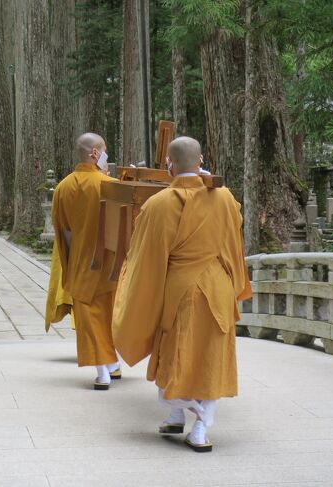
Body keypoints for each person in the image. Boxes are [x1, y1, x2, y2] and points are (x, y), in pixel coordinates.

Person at [112, 136, 252, 452]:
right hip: (217, 288)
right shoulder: (226, 198)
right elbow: (233, 240)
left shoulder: (157, 205)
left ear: (169, 165)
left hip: (179, 293)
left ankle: (196, 422)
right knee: (209, 357)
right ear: (201, 160)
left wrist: (136, 297)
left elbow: (143, 259)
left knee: (176, 355)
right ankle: (185, 420)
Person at [51, 132, 121, 390]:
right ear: (94, 153)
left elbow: (65, 232)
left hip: (82, 261)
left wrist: (76, 258)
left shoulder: (62, 187)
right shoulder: (110, 186)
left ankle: (104, 370)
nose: (106, 156)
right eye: (104, 151)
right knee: (111, 315)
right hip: (111, 264)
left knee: (90, 318)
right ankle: (110, 364)